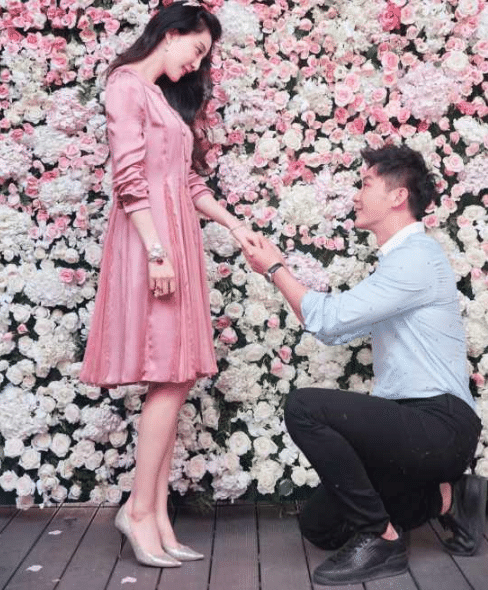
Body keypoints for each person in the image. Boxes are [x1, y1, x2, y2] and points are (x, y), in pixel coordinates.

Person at [244, 144, 486, 586]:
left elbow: (328, 320)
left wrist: (275, 267)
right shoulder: (398, 260)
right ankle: (453, 498)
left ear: (398, 196)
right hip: (408, 427)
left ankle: (382, 539)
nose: (356, 196)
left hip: (441, 424)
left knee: (304, 407)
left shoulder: (415, 258)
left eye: (365, 184)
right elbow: (333, 329)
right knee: (322, 526)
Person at [80, 1, 261, 568]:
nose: (197, 64)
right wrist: (157, 252)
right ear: (172, 32)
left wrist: (234, 225)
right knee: (168, 373)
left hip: (175, 240)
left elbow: (185, 181)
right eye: (197, 49)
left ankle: (154, 514)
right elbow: (129, 178)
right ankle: (138, 512)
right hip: (150, 243)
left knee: (176, 376)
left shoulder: (160, 98)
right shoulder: (126, 86)